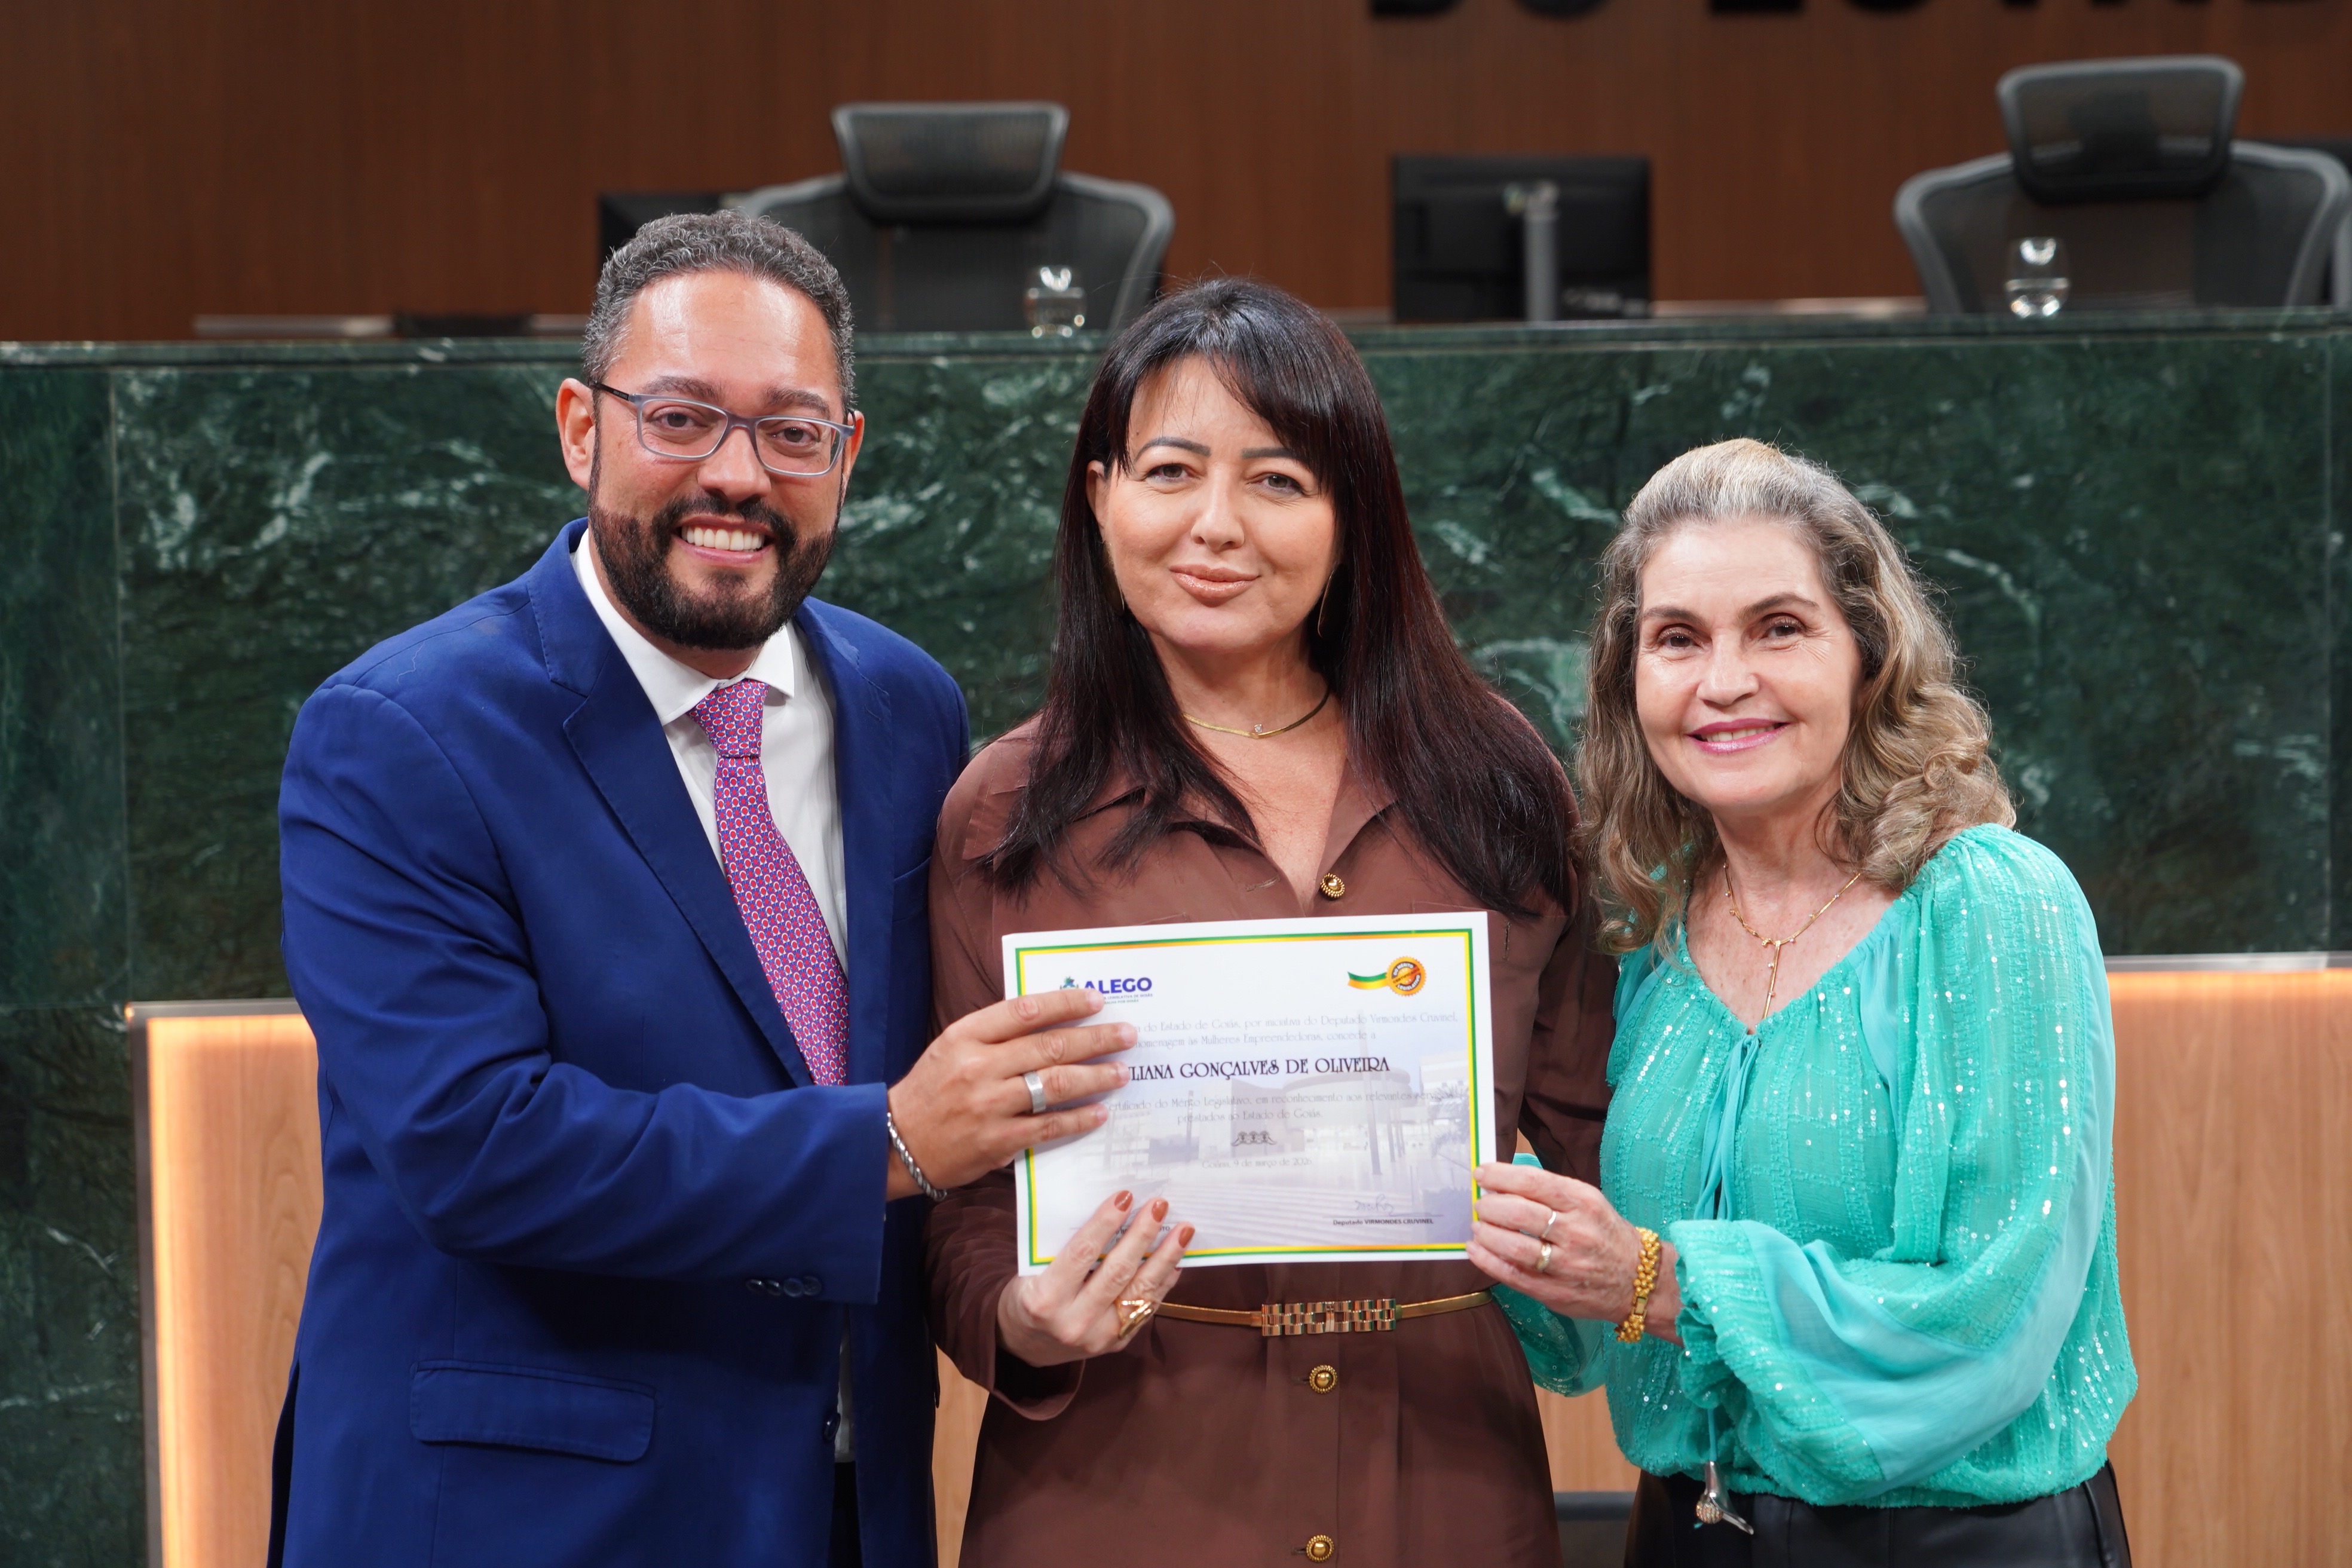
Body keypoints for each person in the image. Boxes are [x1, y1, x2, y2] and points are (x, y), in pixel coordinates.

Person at [272, 211, 1132, 1568]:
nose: (737, 474)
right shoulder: (399, 733)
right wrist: (889, 1143)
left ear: (846, 456)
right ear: (581, 428)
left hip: (847, 1504)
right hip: (527, 1519)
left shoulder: (906, 707)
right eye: (680, 419)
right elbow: (475, 1146)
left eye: (792, 432)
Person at [923, 278, 1618, 1568]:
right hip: (1121, 1495)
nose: (1216, 525)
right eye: (1170, 471)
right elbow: (956, 1203)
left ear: (1354, 518)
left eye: (1279, 480)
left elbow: (1604, 1144)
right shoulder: (1006, 814)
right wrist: (1018, 1317)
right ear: (1100, 498)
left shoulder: (1497, 781)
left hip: (1446, 1489)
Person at [1468, 439, 2136, 1566]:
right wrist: (1430, 1182)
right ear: (1631, 683)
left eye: (1779, 628)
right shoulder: (1652, 934)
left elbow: (1995, 1318)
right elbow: (1593, 1332)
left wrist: (1662, 1284)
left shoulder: (1990, 903)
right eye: (1678, 639)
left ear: (1868, 657)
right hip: (1684, 1534)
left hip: (1955, 1543)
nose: (1725, 681)